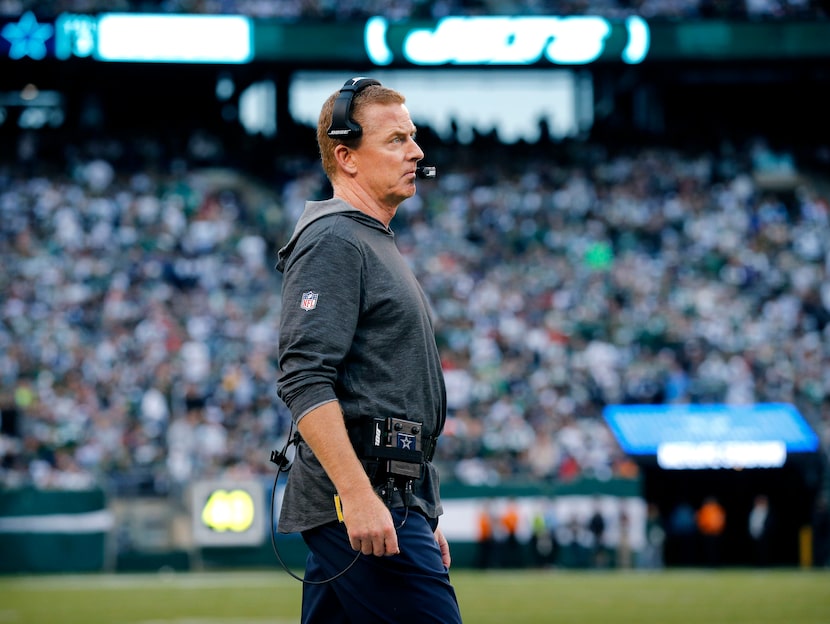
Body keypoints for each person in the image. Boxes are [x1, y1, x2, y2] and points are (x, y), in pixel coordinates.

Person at [275, 77, 462, 624]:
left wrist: (425, 508)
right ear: (346, 156)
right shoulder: (336, 239)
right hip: (366, 497)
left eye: (414, 136)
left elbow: (391, 390)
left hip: (390, 495)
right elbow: (304, 378)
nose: (417, 152)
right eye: (397, 140)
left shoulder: (368, 237)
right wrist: (357, 495)